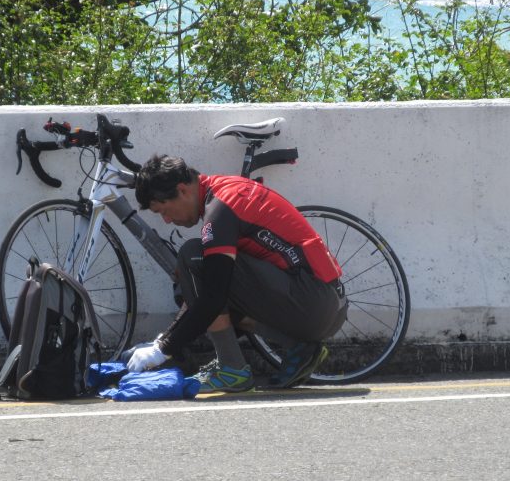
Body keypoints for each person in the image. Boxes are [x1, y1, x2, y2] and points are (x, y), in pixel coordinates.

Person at [125, 154, 348, 392]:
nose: (167, 220)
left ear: (182, 190)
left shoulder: (220, 210)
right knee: (200, 279)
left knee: (193, 256)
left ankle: (232, 369)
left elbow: (213, 297)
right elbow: (207, 295)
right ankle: (299, 347)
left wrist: (163, 350)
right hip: (328, 305)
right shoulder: (223, 190)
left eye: (163, 211)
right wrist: (164, 340)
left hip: (314, 302)